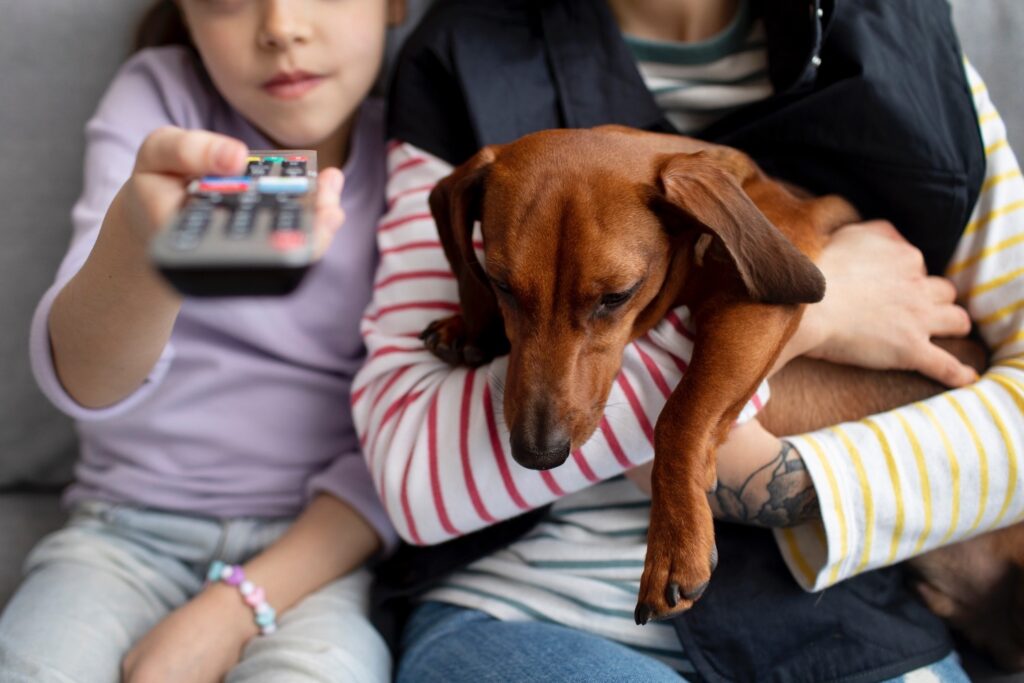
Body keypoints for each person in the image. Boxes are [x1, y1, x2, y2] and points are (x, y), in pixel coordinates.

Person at [353, 0, 1024, 680]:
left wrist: (783, 470)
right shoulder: (460, 58)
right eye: (506, 289)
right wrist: (823, 311)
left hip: (845, 616)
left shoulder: (901, 43)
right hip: (528, 606)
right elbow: (409, 473)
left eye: (609, 299)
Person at [0, 0, 406, 681]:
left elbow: (412, 443)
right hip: (123, 531)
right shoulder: (161, 96)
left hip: (315, 558)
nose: (281, 26)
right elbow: (86, 379)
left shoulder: (416, 145)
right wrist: (141, 248)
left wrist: (236, 605)